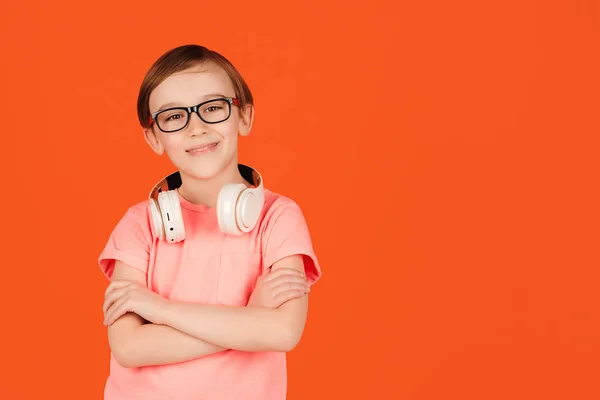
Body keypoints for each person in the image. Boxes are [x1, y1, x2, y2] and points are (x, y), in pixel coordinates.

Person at [97, 44, 321, 400]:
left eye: (212, 108)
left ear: (243, 116)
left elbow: (282, 331)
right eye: (173, 117)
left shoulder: (278, 217)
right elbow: (129, 347)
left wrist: (160, 309)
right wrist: (249, 319)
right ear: (154, 137)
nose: (197, 128)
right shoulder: (138, 225)